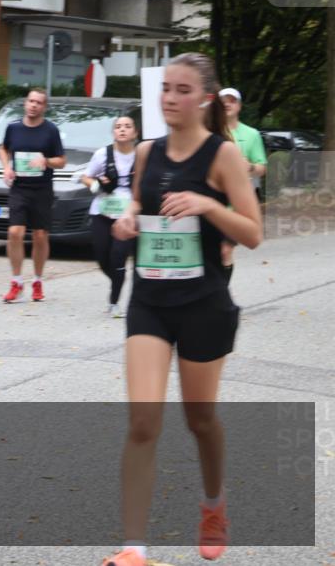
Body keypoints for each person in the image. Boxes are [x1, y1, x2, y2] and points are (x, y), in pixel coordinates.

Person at [102, 53, 262, 566]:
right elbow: (135, 199)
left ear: (206, 99)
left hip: (203, 304)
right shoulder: (147, 152)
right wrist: (128, 218)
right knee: (143, 422)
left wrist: (208, 205)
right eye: (165, 88)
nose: (169, 98)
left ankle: (213, 505)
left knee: (201, 420)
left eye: (182, 90)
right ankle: (133, 549)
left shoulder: (223, 157)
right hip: (149, 300)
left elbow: (253, 232)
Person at [0, 88, 66, 302]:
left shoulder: (50, 131)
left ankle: (37, 280)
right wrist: (6, 167)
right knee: (15, 232)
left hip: (42, 188)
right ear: (26, 104)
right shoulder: (14, 128)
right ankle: (16, 281)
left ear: (44, 107)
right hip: (19, 187)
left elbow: (62, 161)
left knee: (39, 235)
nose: (34, 105)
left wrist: (46, 161)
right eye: (31, 101)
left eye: (38, 102)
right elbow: (3, 149)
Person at [80, 116, 138, 318]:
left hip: (127, 213)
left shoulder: (141, 156)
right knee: (103, 256)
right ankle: (117, 279)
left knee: (118, 255)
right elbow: (85, 176)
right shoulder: (102, 154)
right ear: (113, 132)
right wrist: (97, 185)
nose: (122, 130)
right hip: (102, 210)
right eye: (118, 127)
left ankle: (114, 302)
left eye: (127, 127)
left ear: (135, 133)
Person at [218, 87, 267, 284]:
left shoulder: (251, 134)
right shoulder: (209, 132)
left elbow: (262, 167)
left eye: (232, 100)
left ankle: (220, 294)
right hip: (212, 198)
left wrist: (250, 167)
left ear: (238, 106)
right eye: (223, 101)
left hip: (237, 203)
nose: (227, 104)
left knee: (225, 250)